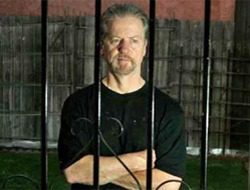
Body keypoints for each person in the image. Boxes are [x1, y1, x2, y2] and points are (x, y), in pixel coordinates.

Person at [58, 3, 186, 190]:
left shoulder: (168, 110)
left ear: (145, 48)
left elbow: (168, 184)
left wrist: (100, 171)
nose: (124, 48)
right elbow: (74, 172)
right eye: (116, 39)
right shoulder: (79, 104)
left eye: (134, 40)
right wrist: (137, 161)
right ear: (102, 47)